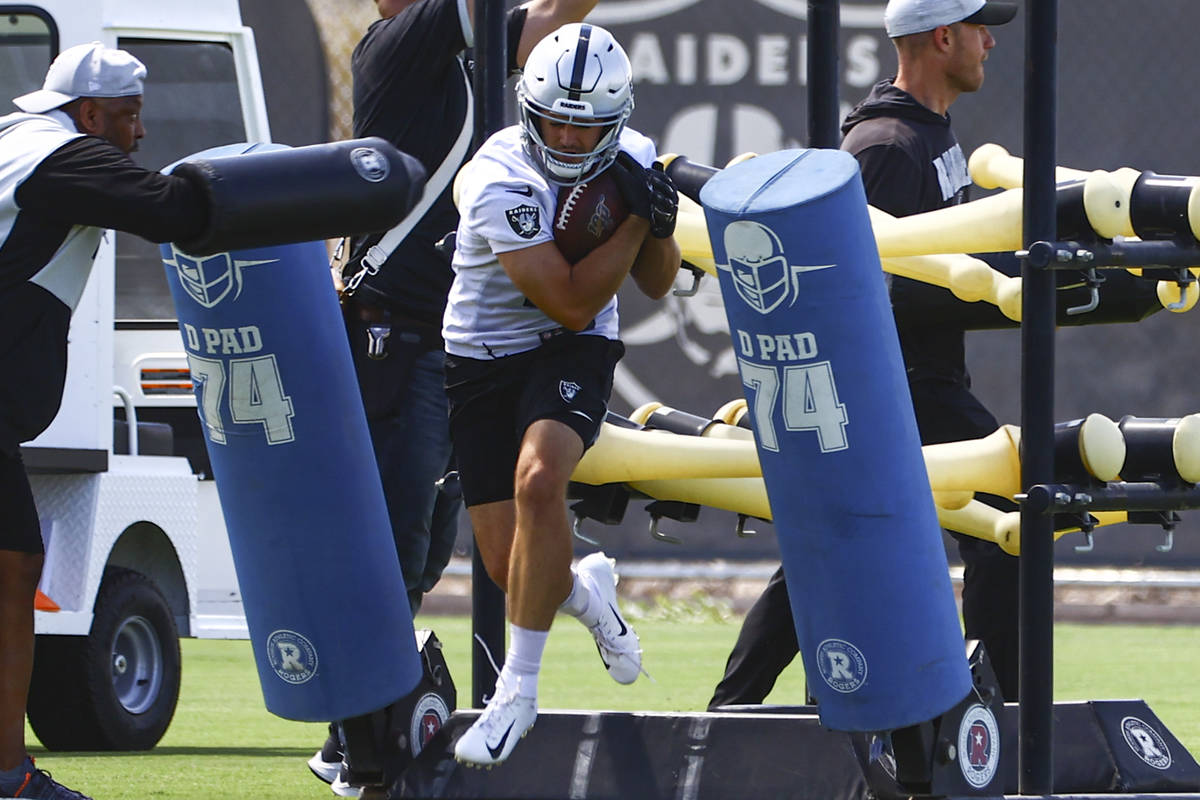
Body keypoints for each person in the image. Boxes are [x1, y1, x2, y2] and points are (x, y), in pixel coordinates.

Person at [308, 0, 603, 792]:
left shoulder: (462, 47)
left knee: (434, 545)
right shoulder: (397, 41)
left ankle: (366, 725)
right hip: (401, 340)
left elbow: (549, 18)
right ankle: (356, 735)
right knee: (397, 549)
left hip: (454, 343)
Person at [709, 0, 1021, 710]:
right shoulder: (885, 146)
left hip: (915, 381)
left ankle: (729, 710)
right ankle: (1000, 716)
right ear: (942, 38)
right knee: (1008, 515)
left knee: (830, 546)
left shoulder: (925, 133)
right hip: (896, 386)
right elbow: (855, 290)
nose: (990, 42)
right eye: (979, 28)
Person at [444, 23, 680, 766]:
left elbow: (656, 282)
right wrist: (639, 217)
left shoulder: (635, 157)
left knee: (540, 479)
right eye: (556, 124)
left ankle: (516, 694)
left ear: (617, 121)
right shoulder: (497, 177)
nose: (571, 144)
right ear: (527, 110)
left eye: (588, 130)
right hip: (484, 354)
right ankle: (588, 593)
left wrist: (663, 227)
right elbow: (568, 297)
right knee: (504, 566)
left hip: (573, 351)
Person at [0, 42, 209, 800]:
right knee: (9, 572)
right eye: (128, 116)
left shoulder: (16, 142)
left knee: (14, 568)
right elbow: (174, 209)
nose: (139, 134)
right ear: (88, 115)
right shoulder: (65, 158)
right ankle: (9, 779)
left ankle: (7, 775)